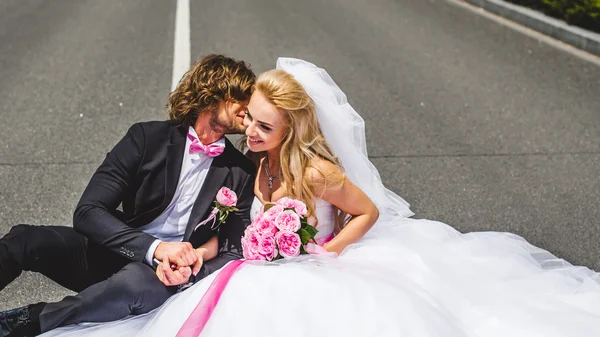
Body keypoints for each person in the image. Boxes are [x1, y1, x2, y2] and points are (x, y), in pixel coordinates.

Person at [40, 58, 600, 337]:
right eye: (248, 122)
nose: (249, 133)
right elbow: (224, 229)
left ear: (288, 128)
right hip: (246, 267)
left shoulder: (315, 171)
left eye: (262, 126)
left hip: (310, 264)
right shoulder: (247, 164)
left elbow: (368, 211)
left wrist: (325, 251)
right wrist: (209, 249)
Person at [0, 54, 257, 337]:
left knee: (132, 286)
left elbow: (234, 250)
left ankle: (29, 321)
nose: (249, 107)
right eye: (241, 97)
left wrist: (189, 271)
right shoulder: (146, 138)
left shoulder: (241, 171)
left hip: (161, 277)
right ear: (213, 95)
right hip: (118, 249)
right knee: (25, 240)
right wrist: (154, 248)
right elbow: (88, 211)